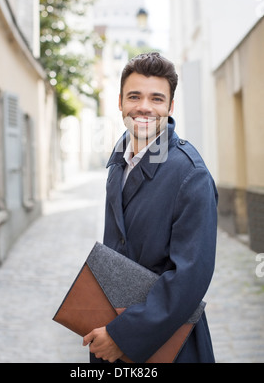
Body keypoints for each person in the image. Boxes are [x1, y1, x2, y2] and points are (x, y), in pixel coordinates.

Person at [83, 52, 218, 363]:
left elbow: (190, 278)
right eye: (134, 96)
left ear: (170, 107)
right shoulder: (119, 161)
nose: (144, 107)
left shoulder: (190, 174)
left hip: (167, 342)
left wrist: (122, 337)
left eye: (156, 99)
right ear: (120, 102)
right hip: (113, 328)